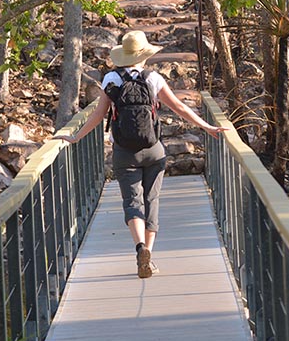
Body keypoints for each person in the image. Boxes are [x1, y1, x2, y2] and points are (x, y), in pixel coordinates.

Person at [54, 30, 228, 278]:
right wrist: (207, 127)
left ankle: (139, 249)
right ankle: (150, 253)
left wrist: (75, 136)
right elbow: (179, 107)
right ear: (144, 55)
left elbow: (98, 115)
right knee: (152, 200)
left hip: (124, 152)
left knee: (132, 202)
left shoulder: (111, 79)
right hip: (154, 150)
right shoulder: (153, 78)